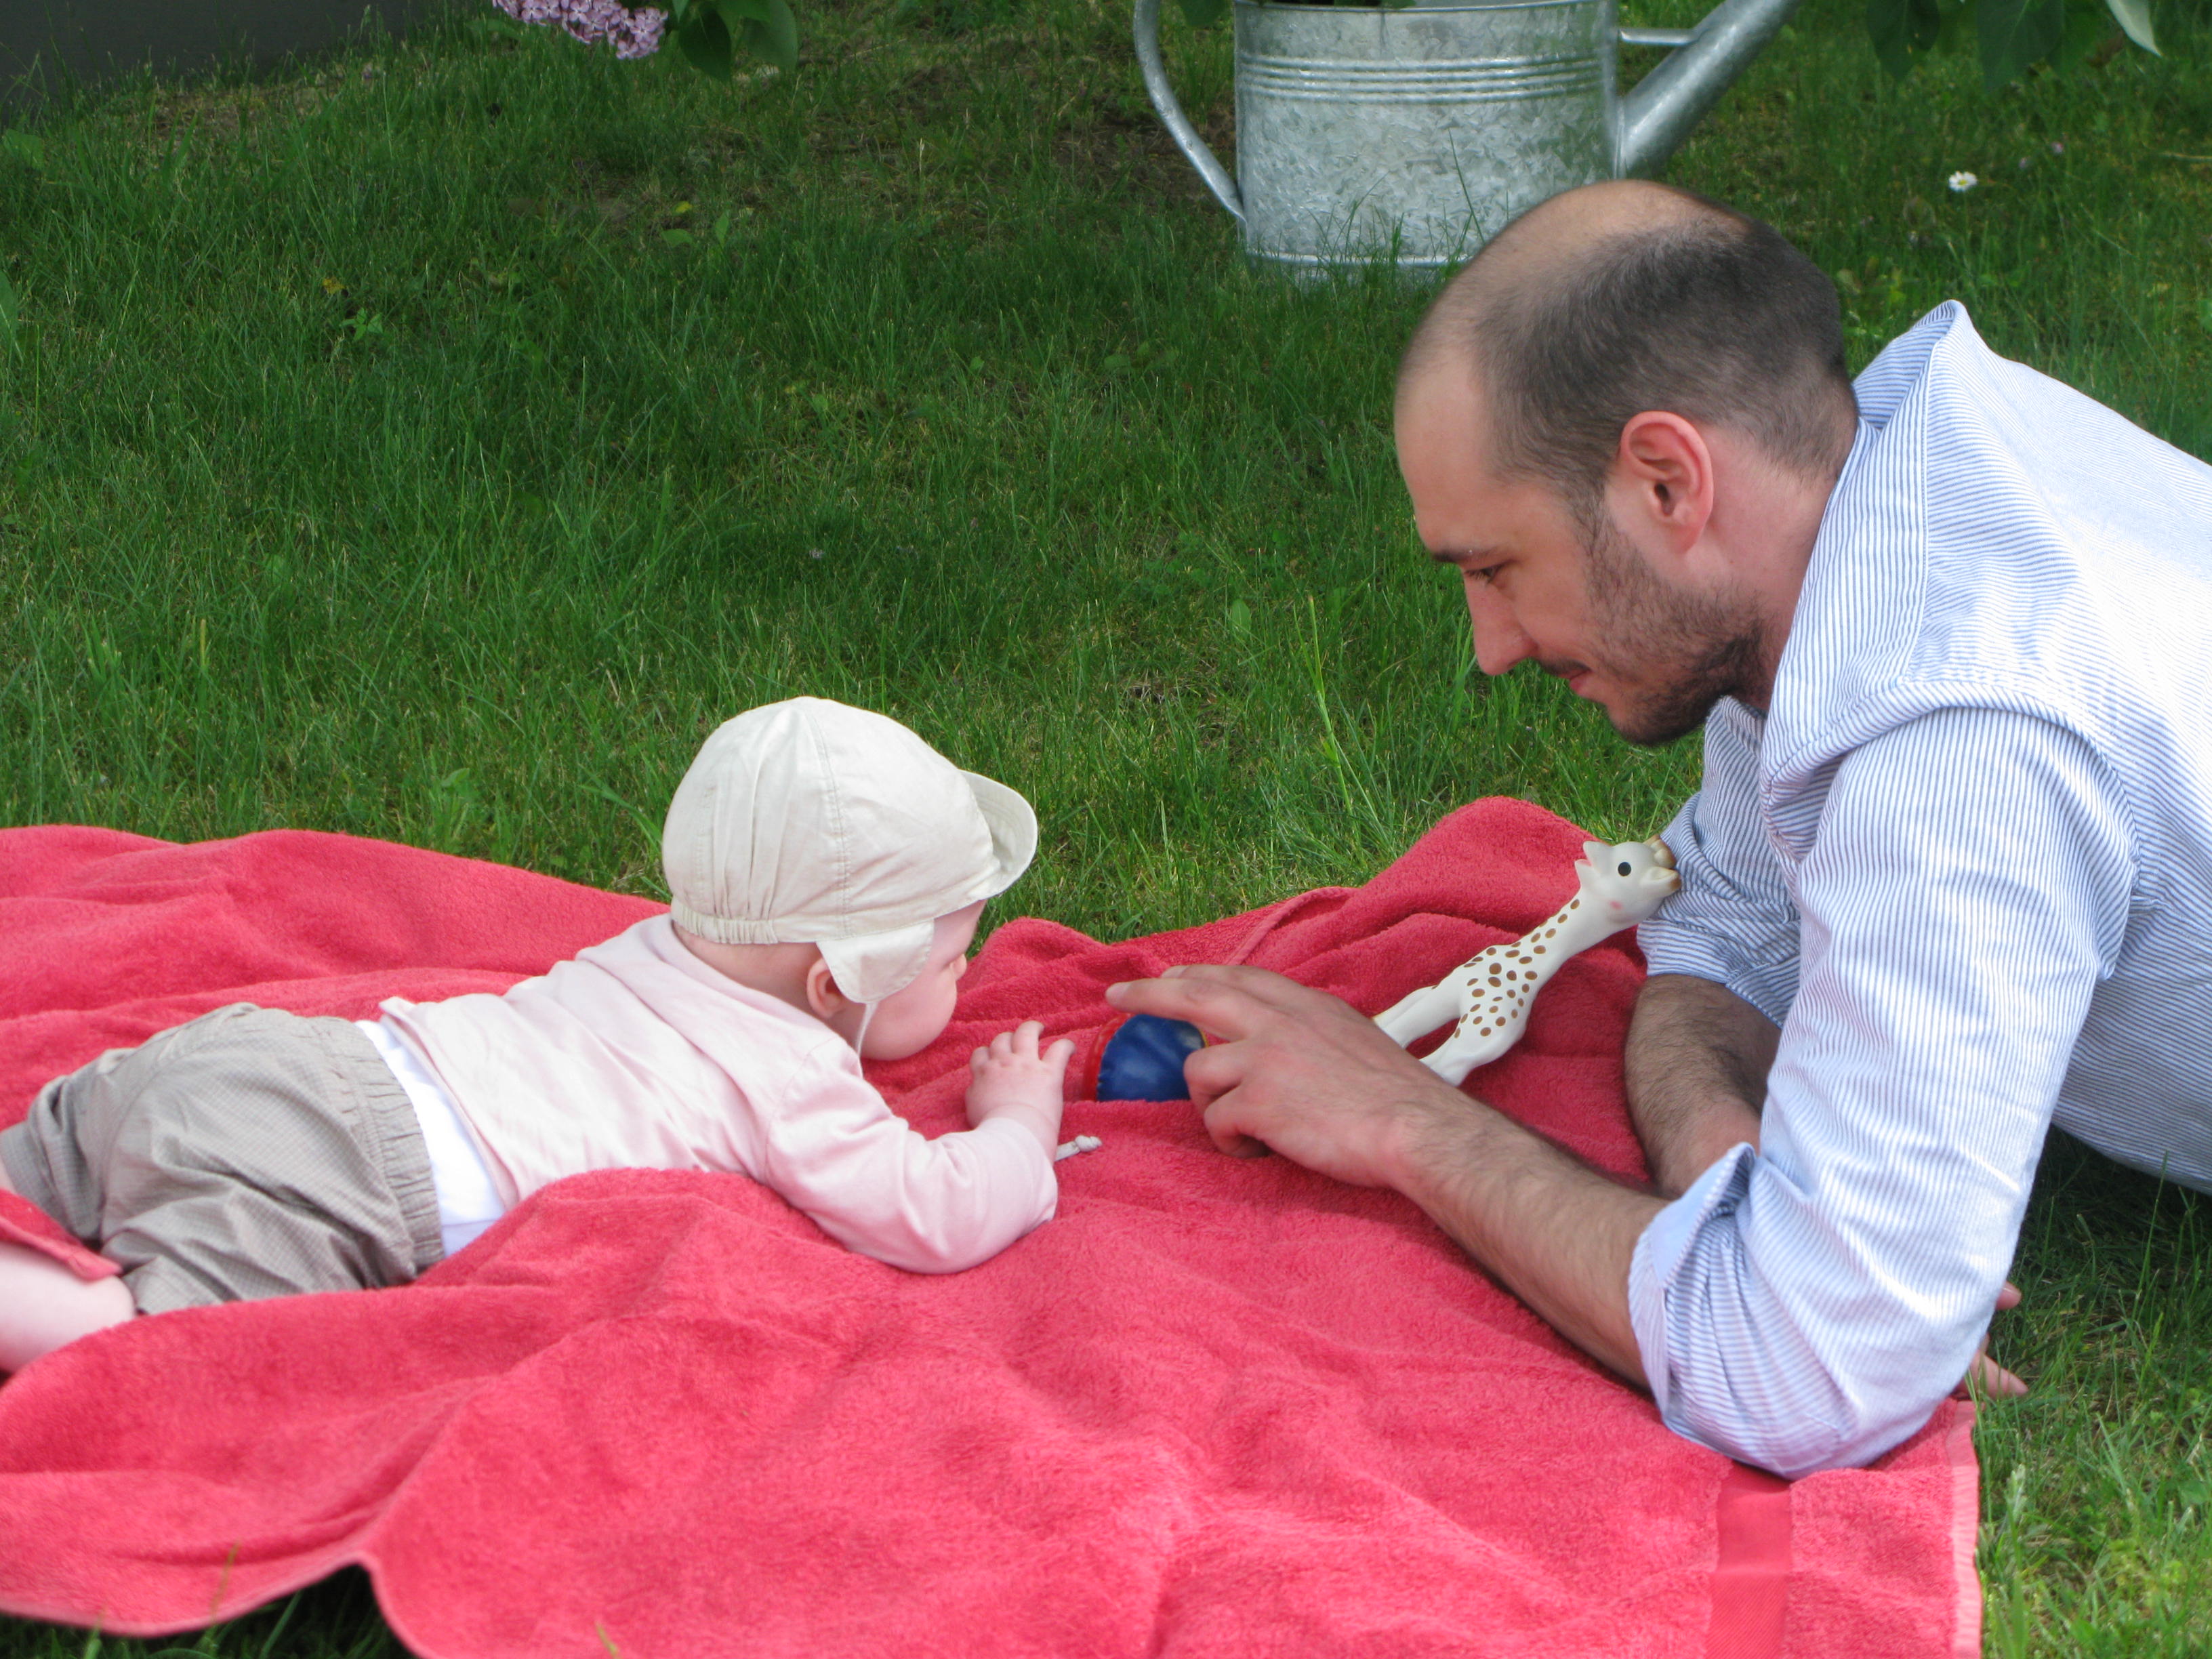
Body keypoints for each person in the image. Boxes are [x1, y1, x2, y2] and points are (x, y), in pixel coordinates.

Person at [1109, 178, 2212, 1477]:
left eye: (1496, 569)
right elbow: (1727, 923)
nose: (1490, 646)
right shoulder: (1858, 511)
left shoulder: (1961, 745)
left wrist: (1407, 1121)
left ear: (1669, 482)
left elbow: (1810, 1371)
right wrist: (1718, 1155)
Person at [0, 697, 1074, 1372]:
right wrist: (1019, 1125)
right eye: (951, 958)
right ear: (837, 983)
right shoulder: (791, 1079)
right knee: (163, 1354)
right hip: (338, 1176)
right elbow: (936, 1213)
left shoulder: (659, 945)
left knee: (48, 1164)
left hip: (271, 1058)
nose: (967, 972)